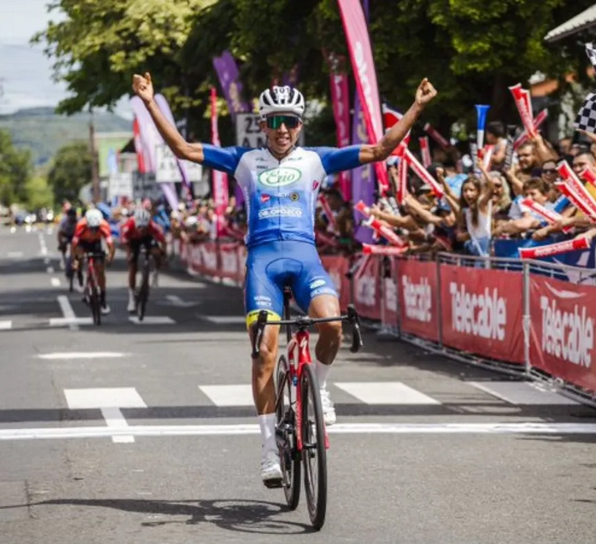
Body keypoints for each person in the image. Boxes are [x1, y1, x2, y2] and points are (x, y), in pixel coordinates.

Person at [133, 71, 437, 486]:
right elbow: (184, 149)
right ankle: (267, 451)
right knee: (265, 353)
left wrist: (417, 106)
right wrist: (151, 102)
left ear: (300, 125)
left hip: (304, 257)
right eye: (274, 121)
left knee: (331, 324)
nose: (282, 130)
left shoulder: (317, 159)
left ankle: (322, 388)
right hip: (262, 264)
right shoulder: (244, 160)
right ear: (262, 124)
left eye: (290, 121)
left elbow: (382, 148)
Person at [121, 207, 167, 312]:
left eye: (144, 228)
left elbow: (163, 241)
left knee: (157, 252)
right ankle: (131, 298)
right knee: (132, 266)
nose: (142, 230)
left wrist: (163, 255)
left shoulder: (152, 226)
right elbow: (125, 242)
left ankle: (155, 272)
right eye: (140, 228)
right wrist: (129, 255)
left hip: (148, 239)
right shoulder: (129, 225)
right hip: (133, 240)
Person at [72, 208, 116, 314]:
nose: (93, 230)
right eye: (91, 228)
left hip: (96, 243)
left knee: (100, 270)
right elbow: (74, 245)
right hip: (83, 242)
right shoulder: (80, 225)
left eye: (96, 228)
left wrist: (110, 257)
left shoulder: (104, 226)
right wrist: (76, 260)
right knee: (80, 256)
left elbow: (110, 245)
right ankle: (80, 276)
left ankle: (103, 299)